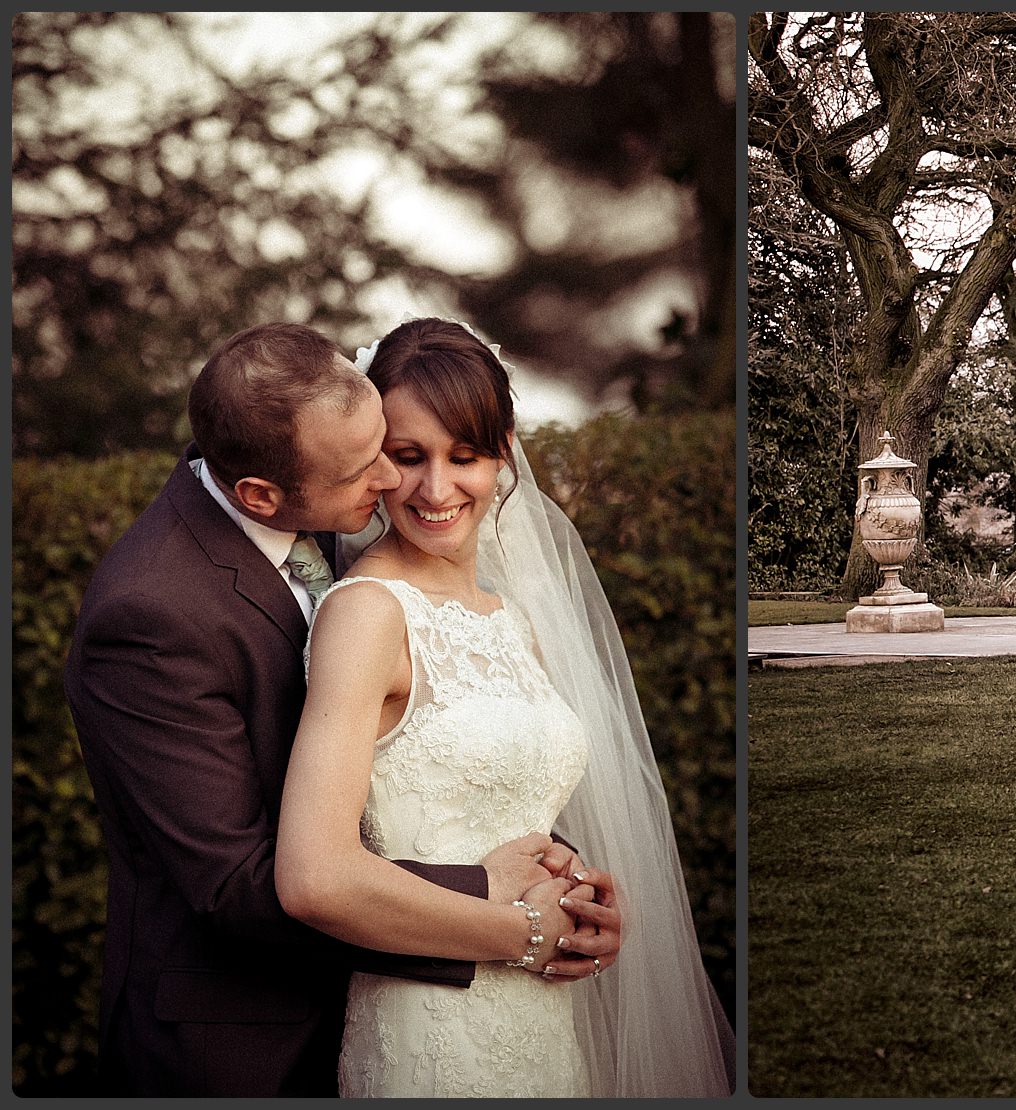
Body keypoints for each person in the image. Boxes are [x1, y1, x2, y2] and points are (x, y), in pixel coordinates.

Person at [62, 323, 598, 1096]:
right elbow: (241, 887)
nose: (394, 481)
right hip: (244, 1050)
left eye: (391, 446)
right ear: (260, 494)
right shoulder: (149, 615)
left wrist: (560, 880)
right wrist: (508, 920)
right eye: (376, 464)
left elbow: (423, 749)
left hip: (413, 1008)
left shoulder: (316, 492)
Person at [277, 318, 733, 1096]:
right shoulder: (367, 614)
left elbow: (506, 801)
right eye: (409, 456)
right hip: (431, 1031)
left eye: (466, 456)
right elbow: (315, 879)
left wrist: (582, 902)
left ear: (504, 450)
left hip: (545, 1023)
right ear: (374, 454)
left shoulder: (513, 616)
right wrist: (524, 933)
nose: (436, 489)